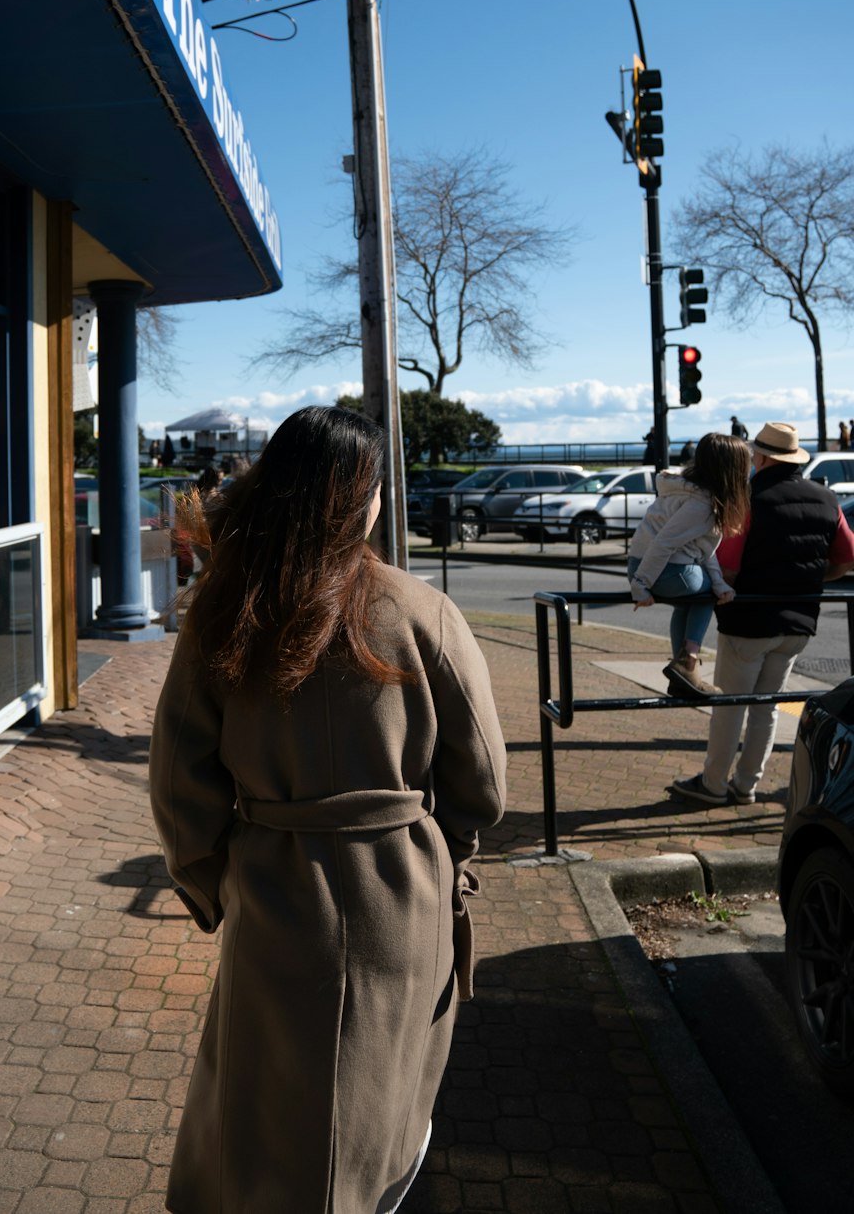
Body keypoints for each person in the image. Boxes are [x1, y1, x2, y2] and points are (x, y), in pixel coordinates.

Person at [149, 406, 507, 1214]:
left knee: (268, 1118)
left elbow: (180, 788)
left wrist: (220, 888)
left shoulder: (222, 610)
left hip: (275, 893)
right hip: (403, 894)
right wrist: (442, 851)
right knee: (382, 1116)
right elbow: (483, 777)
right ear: (364, 500)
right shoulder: (423, 612)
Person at [673, 421, 854, 806]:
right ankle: (746, 786)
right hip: (799, 620)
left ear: (764, 456)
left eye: (756, 453)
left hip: (749, 621)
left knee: (729, 706)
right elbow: (846, 558)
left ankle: (714, 784)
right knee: (766, 708)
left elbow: (730, 566)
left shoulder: (748, 497)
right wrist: (809, 577)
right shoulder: (827, 500)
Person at [626, 433, 751, 696]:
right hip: (664, 569)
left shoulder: (687, 490)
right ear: (732, 469)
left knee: (689, 601)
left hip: (650, 564)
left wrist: (718, 581)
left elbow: (702, 548)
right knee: (705, 594)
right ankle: (688, 664)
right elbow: (664, 543)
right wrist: (640, 585)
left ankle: (682, 674)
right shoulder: (701, 504)